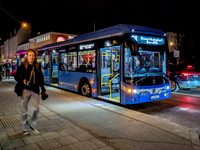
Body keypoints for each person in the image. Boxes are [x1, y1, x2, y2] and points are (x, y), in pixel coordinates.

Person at [15, 49, 47, 135]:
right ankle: (25, 128)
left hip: (35, 90)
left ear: (35, 57)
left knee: (36, 108)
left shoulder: (38, 66)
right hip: (25, 90)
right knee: (24, 110)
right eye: (30, 55)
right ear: (27, 56)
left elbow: (41, 79)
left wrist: (43, 90)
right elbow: (16, 76)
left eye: (33, 55)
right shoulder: (22, 66)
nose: (31, 57)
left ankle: (32, 124)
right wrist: (22, 80)